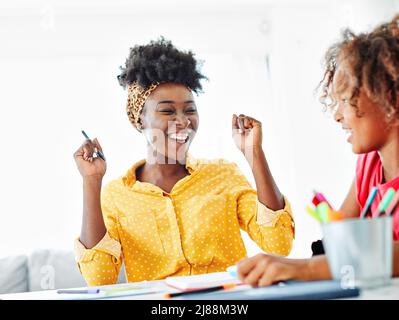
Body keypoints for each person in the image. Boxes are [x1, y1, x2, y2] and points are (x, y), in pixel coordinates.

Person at [73, 38, 295, 286]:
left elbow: (279, 243)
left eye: (189, 110)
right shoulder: (117, 195)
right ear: (139, 120)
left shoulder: (223, 174)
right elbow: (99, 278)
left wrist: (254, 153)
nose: (183, 121)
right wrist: (91, 182)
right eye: (167, 111)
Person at [237, 15, 399, 287]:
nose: (337, 115)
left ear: (389, 97)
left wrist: (306, 268)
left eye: (345, 100)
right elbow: (342, 243)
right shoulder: (368, 165)